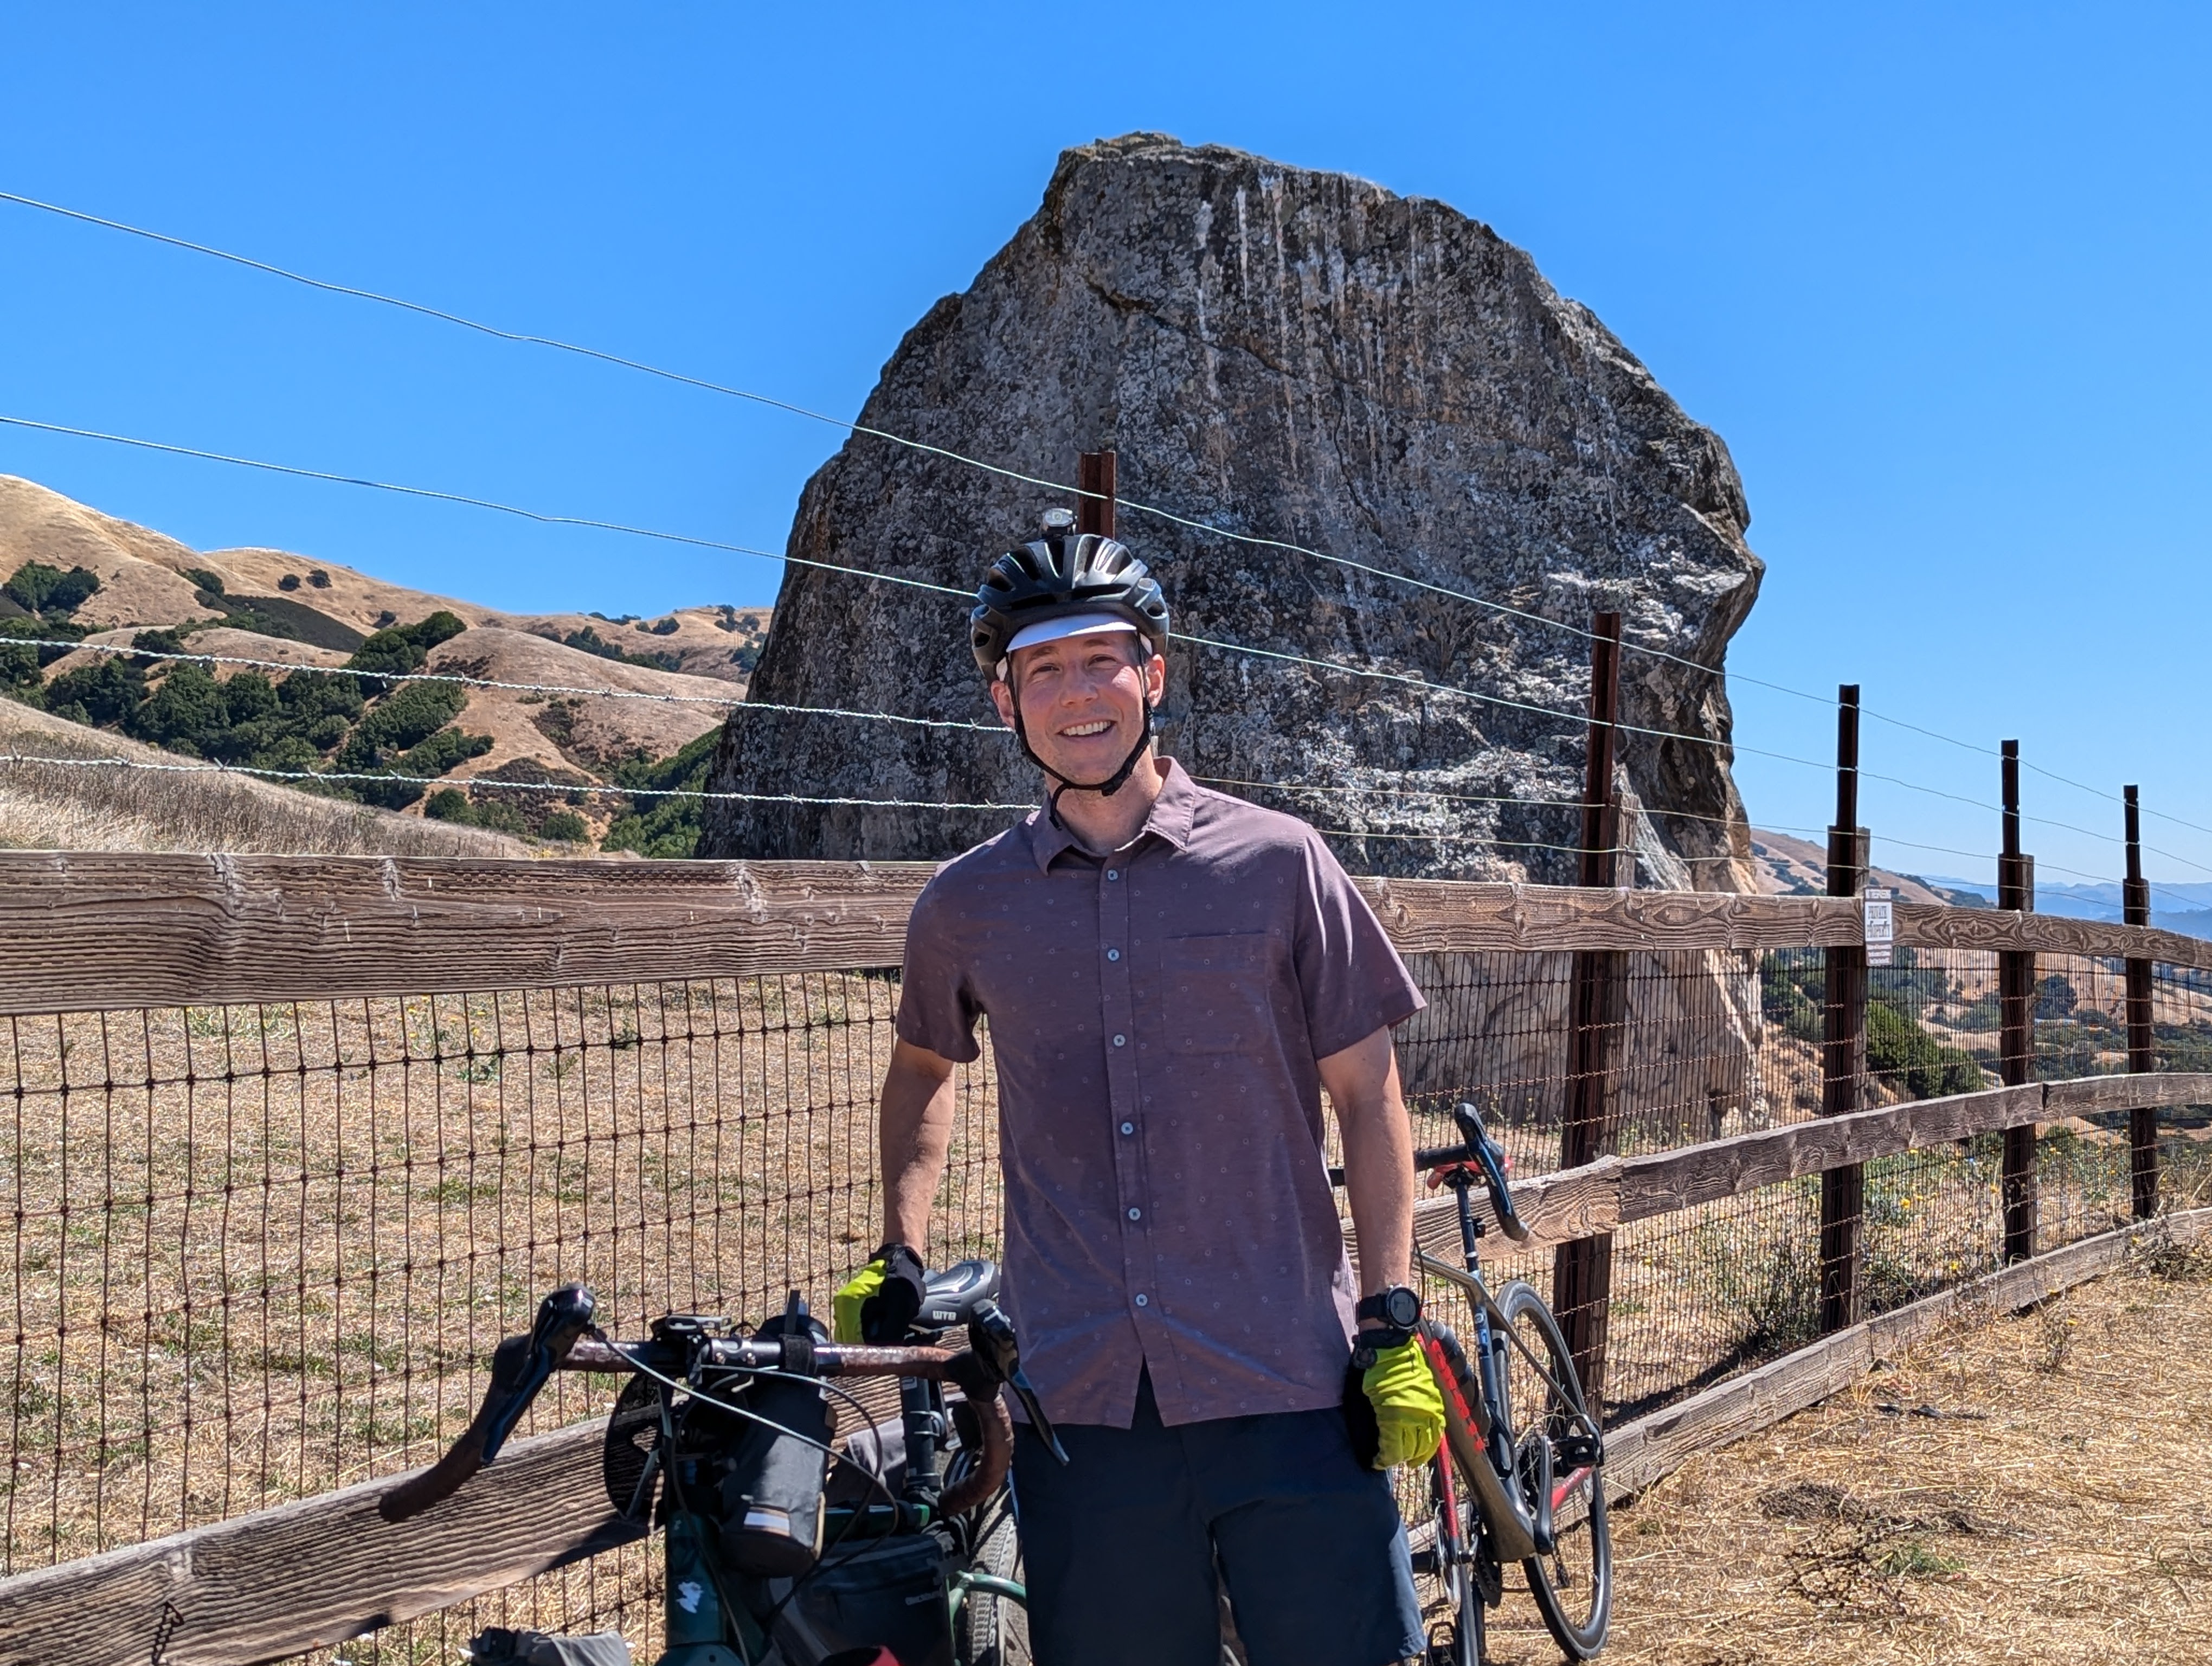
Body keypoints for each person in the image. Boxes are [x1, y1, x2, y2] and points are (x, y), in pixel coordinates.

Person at [835, 509, 1444, 1666]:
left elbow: (1371, 1100)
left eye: (1101, 658)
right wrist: (901, 1249)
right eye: (1044, 669)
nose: (1079, 695)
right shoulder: (963, 905)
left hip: (1289, 1380)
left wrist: (1391, 1313)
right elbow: (924, 1066)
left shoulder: (1281, 862)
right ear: (1005, 702)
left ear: (1153, 674)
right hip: (1084, 1405)